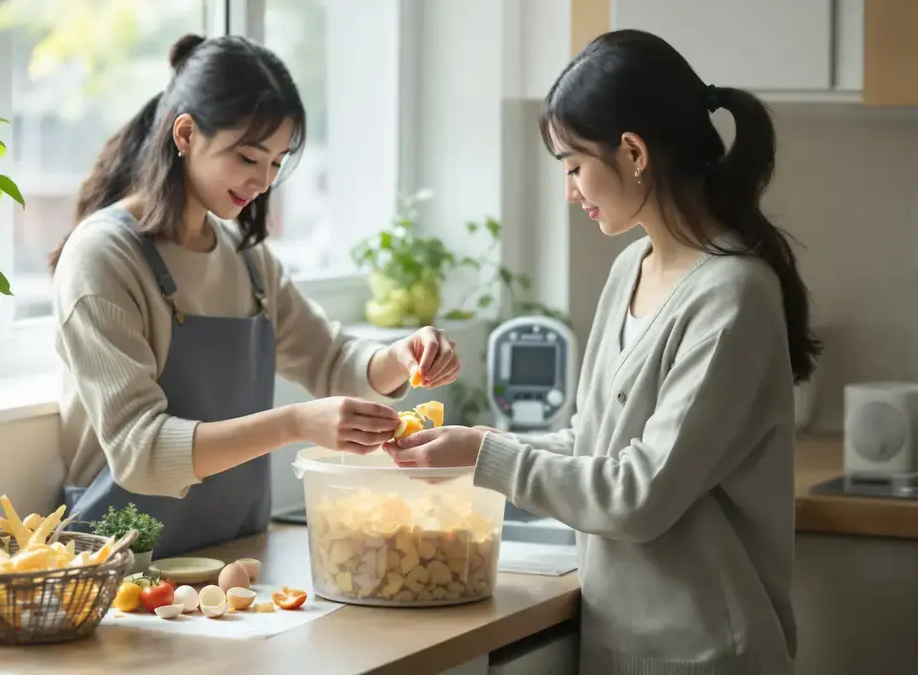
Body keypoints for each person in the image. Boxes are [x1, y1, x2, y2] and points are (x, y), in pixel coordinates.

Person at [383, 30, 820, 675]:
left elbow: (637, 494)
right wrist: (477, 443)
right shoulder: (630, 268)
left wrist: (487, 458)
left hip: (705, 656)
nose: (570, 191)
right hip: (620, 640)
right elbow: (597, 444)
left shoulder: (733, 298)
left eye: (572, 166)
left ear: (634, 152)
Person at [51, 33, 461, 559]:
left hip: (233, 560)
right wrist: (294, 424)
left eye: (276, 162)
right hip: (121, 573)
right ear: (186, 134)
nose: (263, 182)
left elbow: (334, 361)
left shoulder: (247, 259)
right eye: (248, 157)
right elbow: (141, 452)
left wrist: (403, 357)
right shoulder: (103, 257)